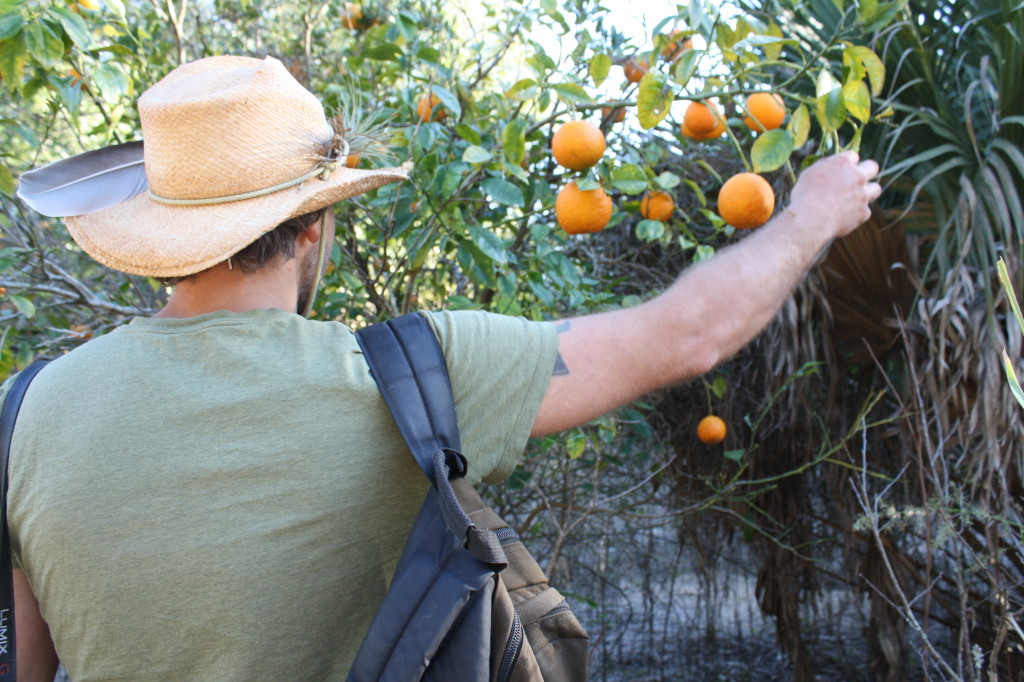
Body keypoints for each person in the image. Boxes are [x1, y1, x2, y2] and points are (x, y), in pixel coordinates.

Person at [4, 55, 880, 681]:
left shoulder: (27, 412)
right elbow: (685, 334)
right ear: (312, 228)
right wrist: (810, 215)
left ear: (159, 231)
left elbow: (29, 661)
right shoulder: (409, 374)